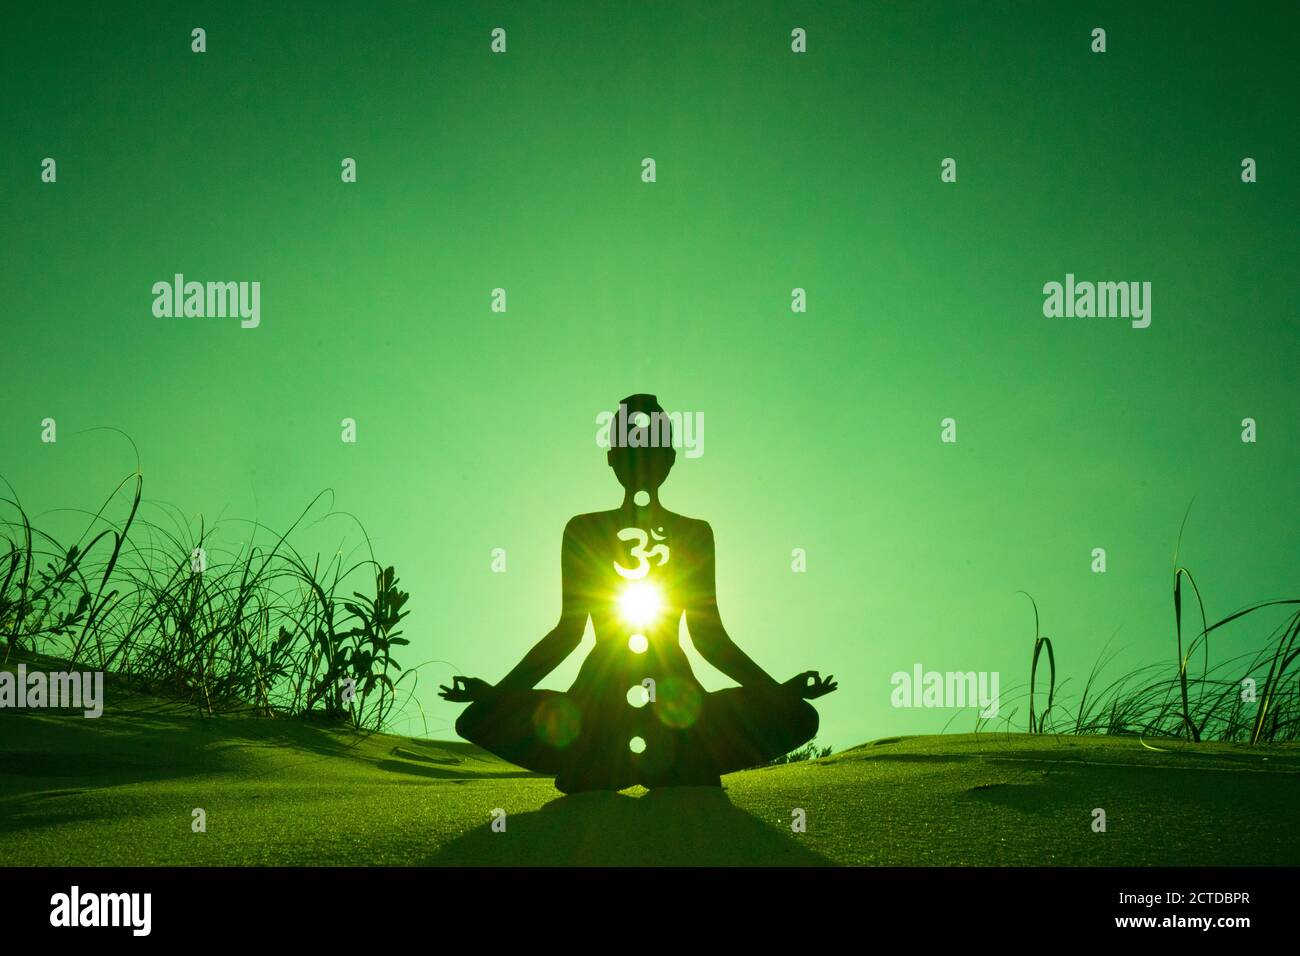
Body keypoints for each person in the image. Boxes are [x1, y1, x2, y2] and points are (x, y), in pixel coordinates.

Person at [440, 394, 837, 792]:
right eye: (630, 449)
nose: (642, 461)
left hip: (678, 702)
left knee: (800, 716)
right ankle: (625, 758)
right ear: (612, 457)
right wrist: (497, 694)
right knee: (477, 718)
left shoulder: (694, 534)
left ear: (669, 458)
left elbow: (710, 639)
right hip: (597, 702)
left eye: (652, 449)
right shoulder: (584, 529)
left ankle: (640, 759)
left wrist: (779, 694)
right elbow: (568, 632)